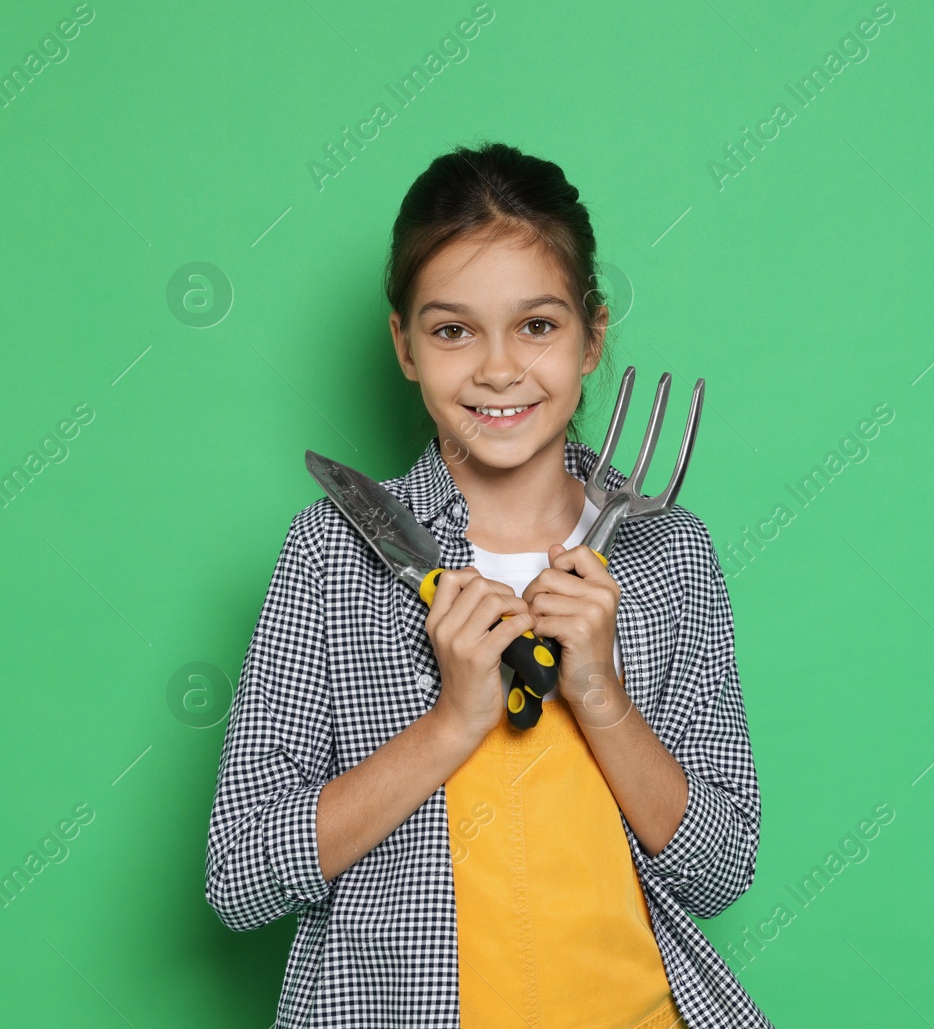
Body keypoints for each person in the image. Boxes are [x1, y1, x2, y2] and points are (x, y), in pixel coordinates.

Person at [204, 141, 770, 1029]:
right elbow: (240, 876)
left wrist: (601, 694)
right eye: (453, 328)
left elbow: (721, 869)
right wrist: (452, 719)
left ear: (593, 336)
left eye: (538, 325)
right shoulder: (333, 552)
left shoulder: (669, 555)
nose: (498, 368)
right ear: (404, 344)